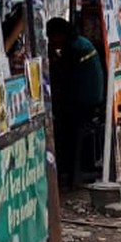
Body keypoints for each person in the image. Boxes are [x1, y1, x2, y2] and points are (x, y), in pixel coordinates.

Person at [46, 16, 105, 186]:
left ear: (59, 34)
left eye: (51, 37)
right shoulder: (80, 42)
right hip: (91, 99)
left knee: (60, 128)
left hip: (85, 101)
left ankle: (66, 169)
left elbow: (63, 78)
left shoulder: (73, 48)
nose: (51, 41)